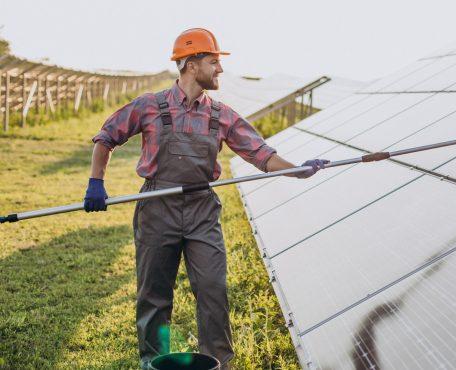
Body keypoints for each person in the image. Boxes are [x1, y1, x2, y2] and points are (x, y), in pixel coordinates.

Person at [84, 27, 328, 369]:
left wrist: (297, 170)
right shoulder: (149, 106)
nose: (220, 70)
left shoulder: (221, 115)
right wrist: (96, 182)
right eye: (214, 61)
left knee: (213, 291)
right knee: (154, 296)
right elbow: (106, 136)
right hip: (158, 207)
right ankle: (154, 362)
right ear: (189, 64)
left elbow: (260, 154)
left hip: (202, 210)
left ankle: (220, 363)